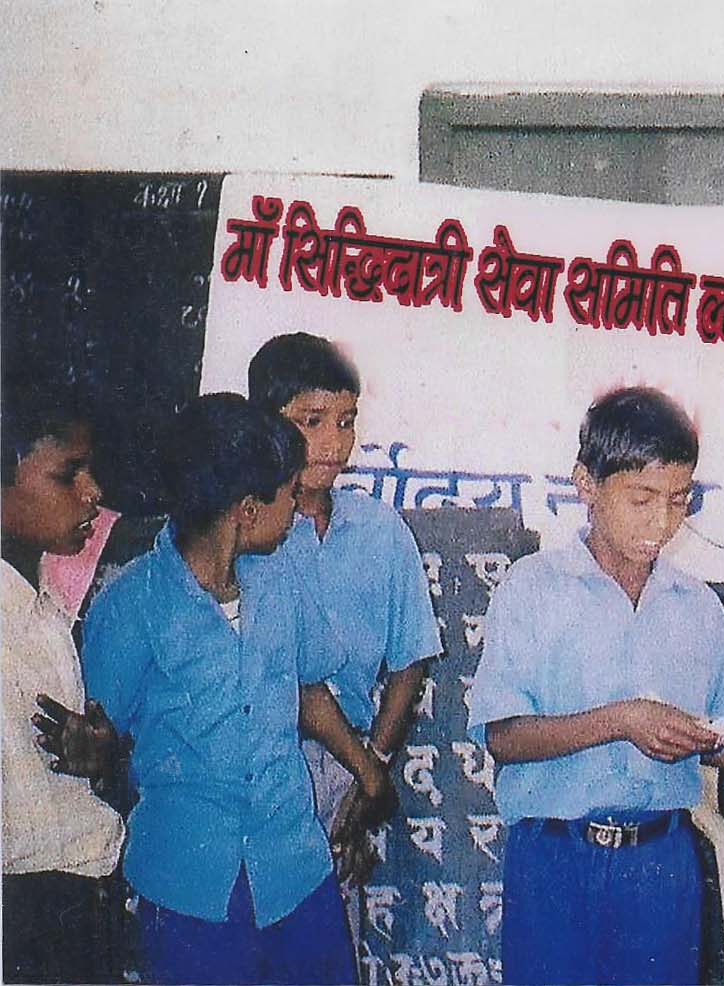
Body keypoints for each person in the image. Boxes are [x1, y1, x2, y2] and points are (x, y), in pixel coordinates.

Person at [74, 393, 388, 985]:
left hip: (296, 875)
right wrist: (97, 748)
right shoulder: (132, 606)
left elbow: (308, 689)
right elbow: (101, 734)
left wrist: (368, 772)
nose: (296, 511)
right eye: (289, 495)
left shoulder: (281, 578)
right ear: (247, 509)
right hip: (190, 893)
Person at [466, 386, 724, 986]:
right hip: (555, 861)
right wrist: (622, 720)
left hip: (662, 867)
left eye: (679, 500)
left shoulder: (698, 607)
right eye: (642, 498)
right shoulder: (532, 590)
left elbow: (718, 738)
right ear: (586, 485)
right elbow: (504, 738)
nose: (662, 522)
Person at [248, 332, 441, 935]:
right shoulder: (245, 533)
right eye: (312, 422)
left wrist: (369, 769)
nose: (333, 443)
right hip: (260, 763)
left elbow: (410, 660)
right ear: (266, 425)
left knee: (329, 945)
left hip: (351, 767)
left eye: (346, 421)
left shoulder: (381, 531)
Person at [2, 388, 126, 984]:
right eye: (67, 474)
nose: (93, 492)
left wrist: (101, 761)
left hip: (78, 900)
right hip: (23, 916)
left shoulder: (43, 605)